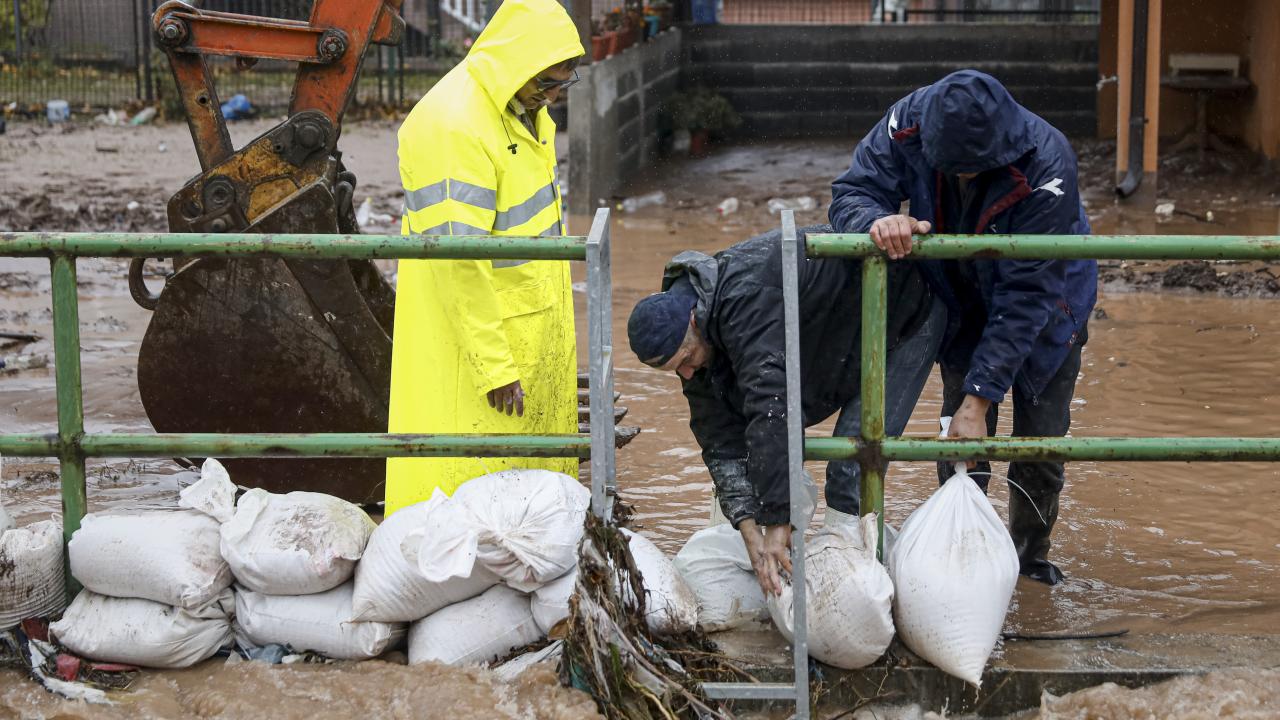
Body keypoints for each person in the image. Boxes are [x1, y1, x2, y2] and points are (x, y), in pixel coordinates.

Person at [829, 70, 1097, 585]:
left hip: (1050, 306)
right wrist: (876, 221)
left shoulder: (1048, 161)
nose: (967, 181)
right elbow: (854, 190)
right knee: (960, 440)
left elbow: (1029, 294)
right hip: (961, 298)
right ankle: (962, 562)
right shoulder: (906, 122)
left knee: (1039, 446)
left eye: (978, 171)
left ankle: (1028, 565)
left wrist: (982, 396)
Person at [627, 225, 946, 595]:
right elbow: (718, 437)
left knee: (850, 464)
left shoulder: (745, 299)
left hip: (900, 314)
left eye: (685, 360)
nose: (685, 373)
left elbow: (771, 404)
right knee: (769, 464)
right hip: (837, 336)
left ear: (694, 321)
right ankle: (832, 581)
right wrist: (749, 530)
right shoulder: (691, 335)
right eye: (675, 370)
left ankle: (861, 585)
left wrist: (778, 520)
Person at [386, 0, 585, 514]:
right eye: (547, 84)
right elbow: (457, 259)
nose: (554, 97)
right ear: (518, 65)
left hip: (528, 323)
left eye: (562, 84)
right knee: (470, 508)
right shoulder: (454, 127)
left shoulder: (518, 107)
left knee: (527, 506)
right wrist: (493, 366)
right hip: (481, 350)